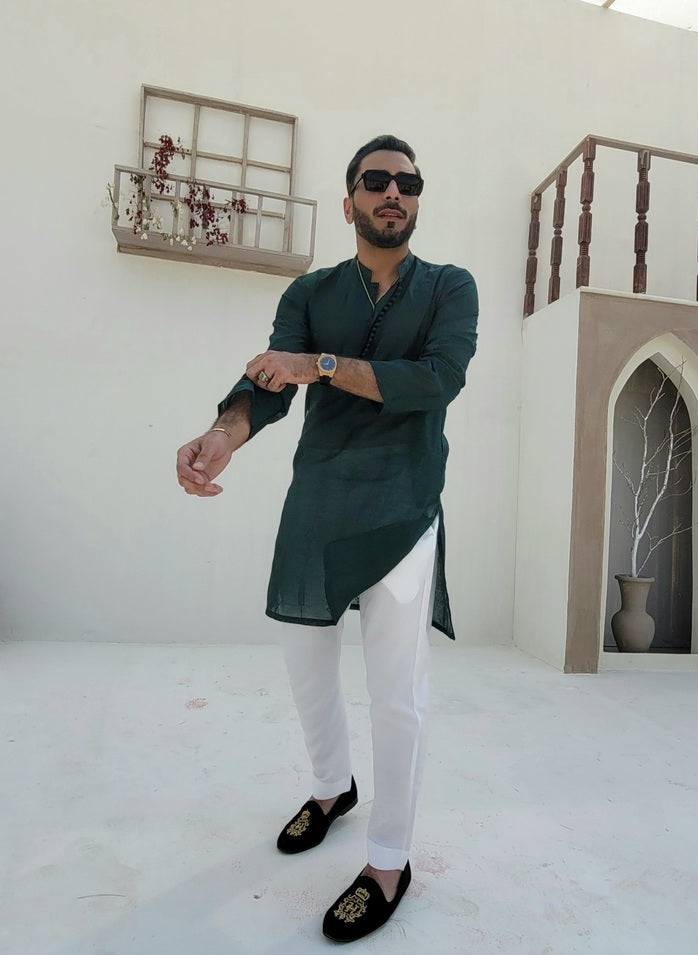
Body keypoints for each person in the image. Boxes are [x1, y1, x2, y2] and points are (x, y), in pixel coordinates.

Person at [176, 134, 478, 942]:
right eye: (376, 180)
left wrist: (322, 364)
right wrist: (222, 433)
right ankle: (331, 786)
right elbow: (268, 382)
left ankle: (388, 859)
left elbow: (436, 380)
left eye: (408, 182)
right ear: (349, 203)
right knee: (307, 670)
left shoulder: (449, 287)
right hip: (318, 503)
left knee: (397, 692)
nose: (394, 192)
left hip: (403, 508)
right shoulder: (311, 290)